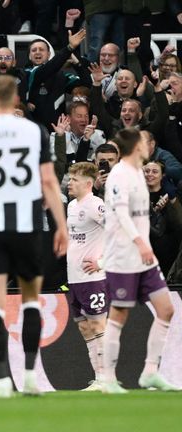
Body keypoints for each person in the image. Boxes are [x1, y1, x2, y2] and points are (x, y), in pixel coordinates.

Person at [0, 75, 68, 398]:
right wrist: (60, 225)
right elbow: (49, 182)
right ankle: (31, 375)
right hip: (28, 227)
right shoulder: (34, 131)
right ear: (17, 98)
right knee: (30, 301)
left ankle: (3, 381)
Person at [101, 129, 179, 393]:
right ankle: (108, 378)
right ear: (135, 146)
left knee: (166, 309)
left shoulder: (137, 172)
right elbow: (122, 214)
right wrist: (140, 242)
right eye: (144, 141)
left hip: (144, 259)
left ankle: (150, 372)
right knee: (119, 314)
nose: (149, 145)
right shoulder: (119, 174)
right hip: (123, 257)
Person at [65, 162, 109, 391]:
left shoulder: (96, 205)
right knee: (84, 328)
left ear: (88, 183)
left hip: (94, 278)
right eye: (70, 178)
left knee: (98, 324)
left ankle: (106, 378)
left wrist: (102, 262)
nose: (69, 182)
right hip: (75, 278)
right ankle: (99, 376)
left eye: (74, 179)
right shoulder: (72, 206)